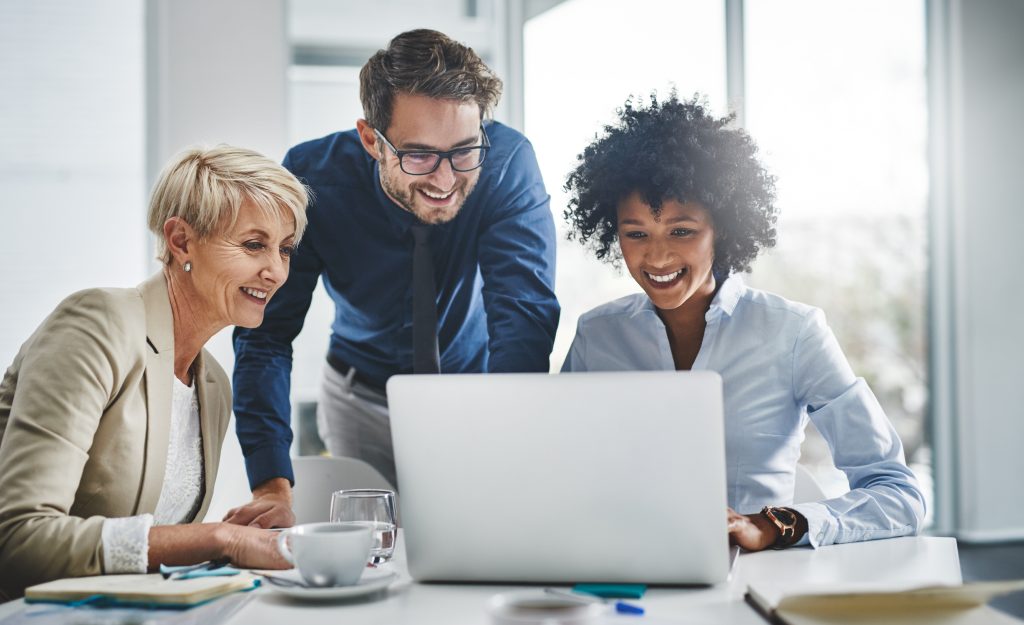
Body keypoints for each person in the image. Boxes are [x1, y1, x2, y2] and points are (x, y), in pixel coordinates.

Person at [560, 93, 925, 550]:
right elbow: (559, 473)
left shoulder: (794, 333)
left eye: (681, 230)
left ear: (724, 229)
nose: (655, 256)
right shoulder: (598, 336)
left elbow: (899, 494)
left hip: (752, 584)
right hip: (622, 568)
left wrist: (774, 524)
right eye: (636, 234)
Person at [230, 28, 559, 497]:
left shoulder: (506, 164)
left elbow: (523, 316)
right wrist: (269, 479)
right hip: (358, 398)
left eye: (464, 150)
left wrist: (505, 440)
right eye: (420, 155)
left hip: (476, 393)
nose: (445, 179)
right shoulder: (312, 179)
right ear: (371, 139)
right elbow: (266, 334)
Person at [0, 146, 308, 599]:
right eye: (253, 245)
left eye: (285, 249)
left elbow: (148, 556)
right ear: (181, 240)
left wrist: (234, 539)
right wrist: (217, 539)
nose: (277, 271)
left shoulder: (212, 385)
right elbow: (18, 540)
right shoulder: (96, 324)